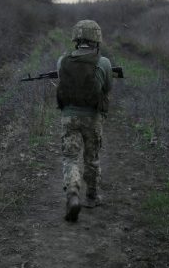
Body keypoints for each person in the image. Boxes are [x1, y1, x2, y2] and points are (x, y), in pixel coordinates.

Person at [57, 20, 113, 222]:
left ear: (76, 38)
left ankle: (73, 193)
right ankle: (91, 196)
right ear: (96, 39)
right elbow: (107, 88)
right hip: (92, 117)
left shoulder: (62, 60)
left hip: (69, 117)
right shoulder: (103, 63)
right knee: (92, 157)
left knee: (70, 157)